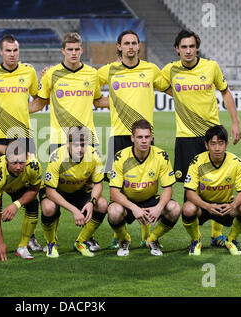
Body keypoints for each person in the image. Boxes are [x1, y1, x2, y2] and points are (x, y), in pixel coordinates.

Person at [161, 29, 241, 245]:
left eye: (192, 46)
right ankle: (195, 238)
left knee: (218, 185)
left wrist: (235, 121)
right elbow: (158, 85)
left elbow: (225, 92)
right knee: (191, 190)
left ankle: (217, 235)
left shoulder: (211, 66)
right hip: (186, 138)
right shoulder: (170, 70)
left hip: (212, 135)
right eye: (184, 47)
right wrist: (180, 96)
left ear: (197, 48)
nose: (188, 51)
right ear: (177, 49)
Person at [95, 30, 171, 249]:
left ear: (139, 46)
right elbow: (86, 88)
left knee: (147, 185)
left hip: (144, 136)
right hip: (119, 135)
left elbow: (171, 89)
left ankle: (147, 235)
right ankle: (120, 235)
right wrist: (112, 103)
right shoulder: (108, 71)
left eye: (134, 43)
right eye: (126, 43)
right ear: (119, 46)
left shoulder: (150, 69)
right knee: (119, 187)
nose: (130, 46)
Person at [0, 34, 43, 252]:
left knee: (30, 186)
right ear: (1, 52)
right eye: (8, 50)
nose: (12, 54)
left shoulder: (29, 72)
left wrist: (26, 110)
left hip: (23, 136)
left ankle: (30, 237)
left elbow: (40, 98)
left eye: (15, 50)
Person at [107, 119, 181, 256]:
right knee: (113, 211)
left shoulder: (161, 156)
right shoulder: (120, 157)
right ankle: (124, 239)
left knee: (175, 208)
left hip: (151, 199)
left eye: (147, 137)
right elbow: (114, 193)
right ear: (132, 138)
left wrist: (159, 207)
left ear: (151, 138)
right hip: (128, 201)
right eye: (140, 137)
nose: (144, 141)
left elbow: (168, 188)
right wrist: (134, 208)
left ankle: (152, 240)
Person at [182, 125, 241, 256]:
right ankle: (196, 240)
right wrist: (207, 206)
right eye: (213, 143)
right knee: (187, 208)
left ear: (226, 144)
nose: (217, 148)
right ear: (206, 145)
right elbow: (190, 193)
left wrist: (233, 205)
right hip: (204, 206)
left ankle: (231, 240)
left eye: (220, 143)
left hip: (225, 205)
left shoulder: (236, 162)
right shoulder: (197, 162)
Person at [29, 32, 103, 155]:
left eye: (76, 49)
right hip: (59, 139)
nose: (73, 53)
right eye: (70, 49)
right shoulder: (51, 74)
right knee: (58, 174)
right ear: (63, 51)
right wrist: (14, 111)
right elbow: (39, 104)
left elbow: (98, 100)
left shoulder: (92, 74)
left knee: (89, 174)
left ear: (81, 50)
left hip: (86, 137)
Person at [41, 127, 108, 258]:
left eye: (83, 145)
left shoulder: (94, 156)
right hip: (57, 191)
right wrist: (74, 210)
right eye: (76, 145)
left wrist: (91, 202)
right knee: (48, 208)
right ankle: (51, 243)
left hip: (79, 189)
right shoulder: (57, 158)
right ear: (68, 143)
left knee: (102, 204)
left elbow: (98, 184)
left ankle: (81, 242)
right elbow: (50, 192)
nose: (80, 149)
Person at [0, 140, 42, 261]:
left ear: (27, 157)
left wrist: (16, 204)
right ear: (6, 160)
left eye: (22, 162)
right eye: (14, 163)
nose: (18, 167)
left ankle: (23, 247)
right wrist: (0, 242)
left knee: (33, 204)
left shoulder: (33, 166)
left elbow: (34, 190)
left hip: (18, 182)